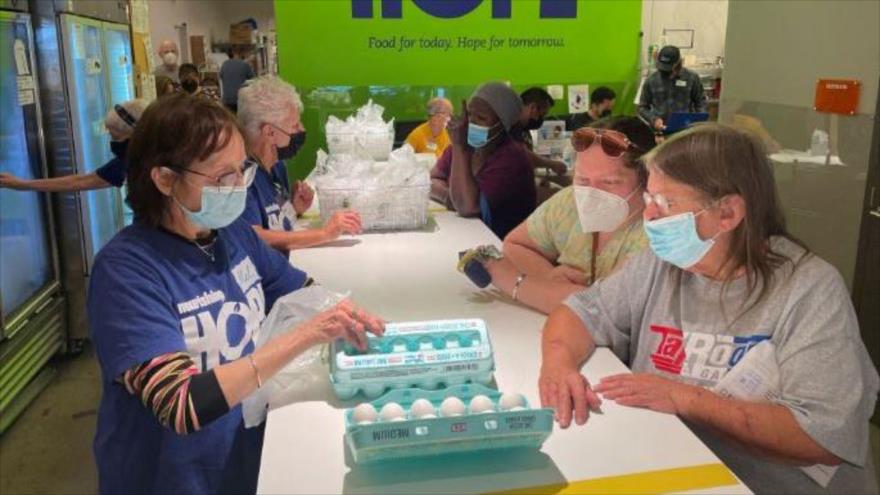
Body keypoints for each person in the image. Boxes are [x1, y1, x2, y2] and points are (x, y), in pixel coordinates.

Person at [538, 124, 879, 493]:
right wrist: (558, 365)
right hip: (686, 471)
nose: (649, 217)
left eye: (666, 204)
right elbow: (578, 313)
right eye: (649, 199)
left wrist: (683, 397)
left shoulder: (809, 289)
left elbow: (821, 437)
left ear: (728, 213)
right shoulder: (658, 266)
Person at [87, 93, 384, 494]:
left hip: (240, 462)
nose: (237, 187)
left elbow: (296, 288)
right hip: (172, 479)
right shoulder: (127, 271)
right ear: (164, 179)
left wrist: (345, 312)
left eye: (241, 170)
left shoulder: (232, 235)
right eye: (220, 178)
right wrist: (307, 334)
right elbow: (180, 403)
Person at [458, 117, 655, 315]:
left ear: (647, 179)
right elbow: (516, 245)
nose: (591, 193)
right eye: (582, 179)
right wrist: (548, 276)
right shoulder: (568, 203)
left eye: (609, 182)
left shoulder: (656, 232)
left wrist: (512, 280)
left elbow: (600, 308)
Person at [237, 76, 362, 254]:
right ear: (270, 132)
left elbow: (275, 223)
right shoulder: (242, 176)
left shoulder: (277, 166)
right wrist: (325, 233)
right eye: (294, 126)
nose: (301, 130)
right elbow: (253, 236)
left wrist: (294, 209)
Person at [430, 82, 536, 239]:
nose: (470, 123)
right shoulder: (463, 147)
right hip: (467, 236)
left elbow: (468, 206)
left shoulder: (511, 158)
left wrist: (460, 147)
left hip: (503, 247)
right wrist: (452, 198)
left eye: (480, 118)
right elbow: (432, 179)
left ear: (502, 125)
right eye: (469, 115)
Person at [0, 99, 147, 192]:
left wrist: (22, 185)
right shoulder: (148, 152)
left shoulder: (131, 161)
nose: (112, 141)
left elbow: (80, 182)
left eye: (115, 136)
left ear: (132, 135)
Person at [638, 45, 707, 133]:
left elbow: (700, 102)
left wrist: (699, 123)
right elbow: (642, 107)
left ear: (679, 64)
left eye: (670, 70)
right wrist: (653, 119)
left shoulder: (692, 78)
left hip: (685, 130)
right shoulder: (651, 80)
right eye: (663, 71)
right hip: (660, 132)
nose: (667, 75)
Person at [511, 87, 567, 176]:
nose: (542, 119)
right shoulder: (511, 127)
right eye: (543, 114)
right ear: (533, 107)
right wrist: (551, 164)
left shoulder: (524, 129)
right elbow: (522, 155)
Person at [220, 46, 255, 113]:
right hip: (240, 99)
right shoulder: (245, 65)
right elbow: (253, 80)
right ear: (240, 53)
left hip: (227, 100)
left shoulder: (224, 64)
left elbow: (221, 76)